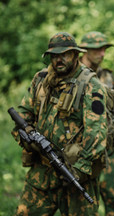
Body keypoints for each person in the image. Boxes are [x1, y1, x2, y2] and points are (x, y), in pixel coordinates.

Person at [11, 32, 107, 215]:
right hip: (42, 173)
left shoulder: (90, 84)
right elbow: (23, 114)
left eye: (65, 54)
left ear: (76, 54)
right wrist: (27, 138)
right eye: (54, 55)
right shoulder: (41, 79)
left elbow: (97, 131)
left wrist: (80, 169)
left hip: (76, 176)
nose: (59, 60)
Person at [79, 31, 114, 216]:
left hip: (108, 147)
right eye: (97, 49)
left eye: (104, 49)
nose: (102, 53)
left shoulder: (108, 76)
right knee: (81, 203)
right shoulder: (74, 75)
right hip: (81, 148)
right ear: (84, 50)